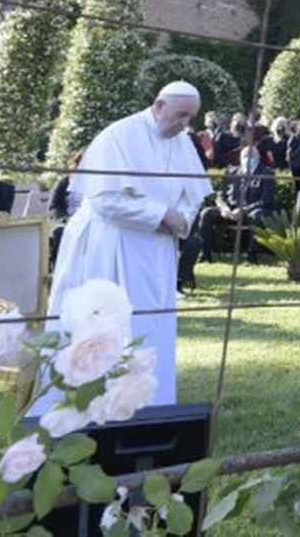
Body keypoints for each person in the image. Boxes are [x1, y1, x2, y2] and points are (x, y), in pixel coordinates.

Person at [41, 82, 211, 409]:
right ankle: (86, 404)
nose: (184, 124)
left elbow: (192, 198)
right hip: (108, 246)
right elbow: (105, 200)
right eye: (180, 115)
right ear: (159, 105)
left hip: (156, 252)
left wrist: (182, 219)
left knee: (150, 327)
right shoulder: (117, 136)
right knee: (105, 327)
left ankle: (149, 402)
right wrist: (162, 214)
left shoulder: (183, 143)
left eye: (190, 117)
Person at [195, 127, 277, 265]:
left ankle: (251, 256)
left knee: (256, 216)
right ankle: (205, 254)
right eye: (245, 157)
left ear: (258, 158)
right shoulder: (231, 172)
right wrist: (223, 208)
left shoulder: (267, 174)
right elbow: (220, 195)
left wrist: (244, 210)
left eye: (252, 157)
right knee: (206, 213)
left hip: (251, 212)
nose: (248, 159)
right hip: (230, 211)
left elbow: (266, 200)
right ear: (240, 158)